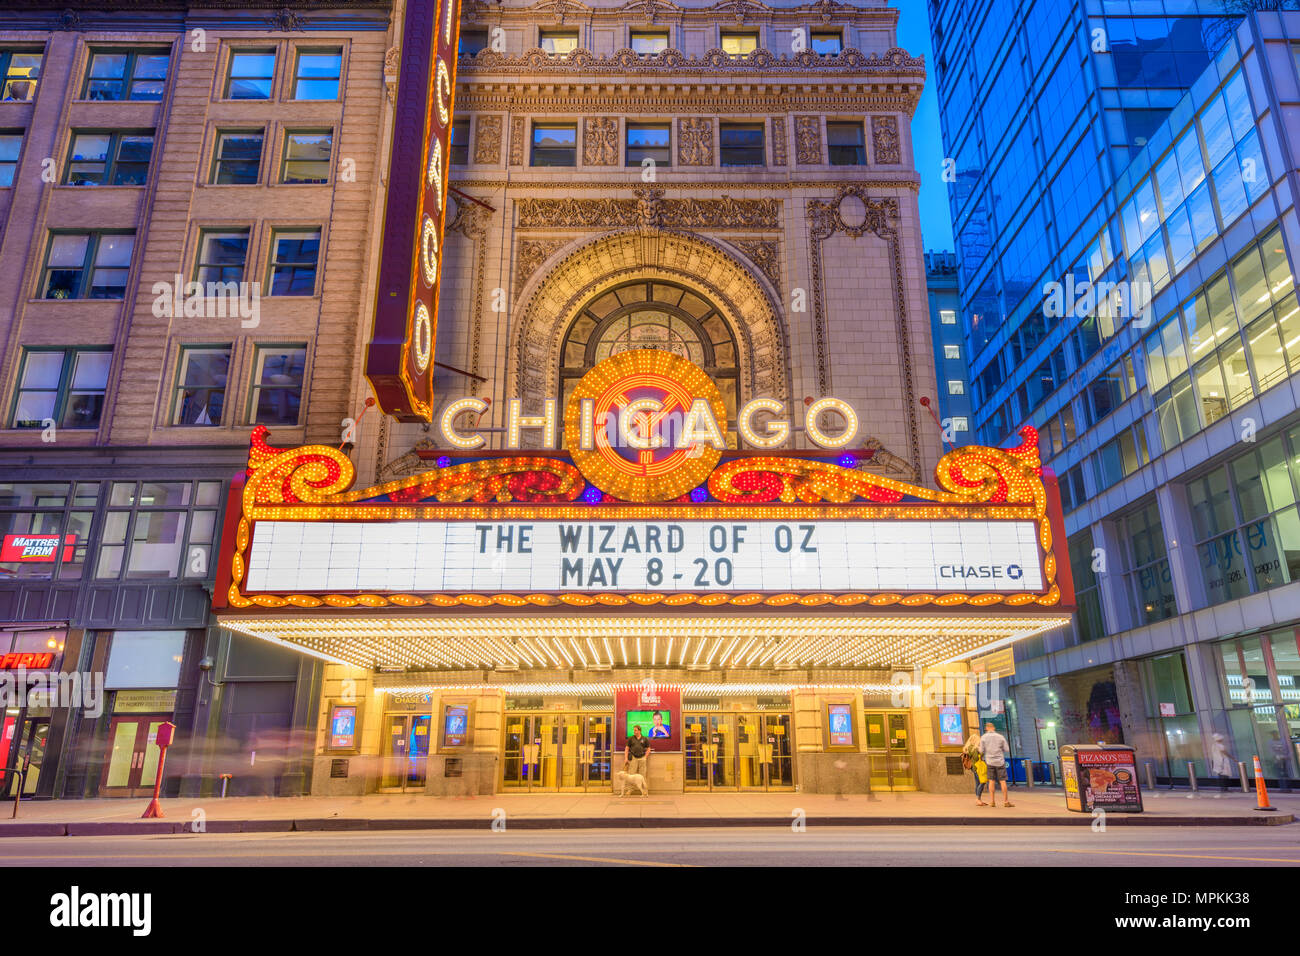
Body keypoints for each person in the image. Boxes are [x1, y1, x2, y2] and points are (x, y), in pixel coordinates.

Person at [979, 721, 1013, 807]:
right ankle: (1006, 801)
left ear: (986, 728)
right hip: (1000, 761)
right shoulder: (1000, 737)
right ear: (993, 728)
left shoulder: (983, 737)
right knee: (1002, 781)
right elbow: (1007, 749)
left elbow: (981, 750)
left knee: (991, 781)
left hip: (990, 761)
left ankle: (992, 801)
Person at [963, 730, 987, 805]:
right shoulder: (974, 748)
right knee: (982, 782)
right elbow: (976, 757)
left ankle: (978, 799)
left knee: (977, 783)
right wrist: (981, 752)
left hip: (974, 767)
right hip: (977, 766)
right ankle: (978, 799)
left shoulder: (968, 747)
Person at [625, 724, 651, 788]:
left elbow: (648, 749)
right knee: (631, 775)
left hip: (642, 758)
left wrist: (645, 757)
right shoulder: (631, 738)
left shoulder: (645, 739)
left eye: (635, 730)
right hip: (633, 758)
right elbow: (627, 748)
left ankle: (644, 790)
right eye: (634, 730)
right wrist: (626, 758)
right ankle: (630, 789)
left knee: (642, 775)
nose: (634, 732)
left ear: (639, 731)